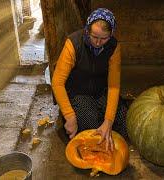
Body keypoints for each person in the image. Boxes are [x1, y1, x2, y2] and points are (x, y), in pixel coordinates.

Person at [51, 8, 128, 151]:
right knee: (90, 125)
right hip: (77, 92)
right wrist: (70, 116)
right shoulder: (73, 43)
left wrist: (108, 121)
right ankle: (74, 116)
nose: (98, 42)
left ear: (111, 35)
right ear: (87, 30)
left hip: (100, 90)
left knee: (123, 120)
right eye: (94, 36)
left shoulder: (113, 47)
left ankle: (100, 118)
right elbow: (57, 82)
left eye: (104, 38)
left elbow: (114, 86)